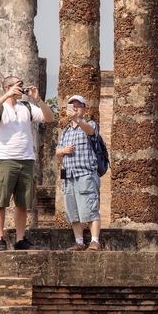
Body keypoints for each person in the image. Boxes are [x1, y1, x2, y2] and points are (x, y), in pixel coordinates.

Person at [0, 76, 56, 251]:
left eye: (21, 86)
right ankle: (0, 238)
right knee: (0, 201)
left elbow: (50, 118)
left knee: (23, 203)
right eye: (17, 85)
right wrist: (6, 95)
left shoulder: (28, 107)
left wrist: (37, 99)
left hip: (26, 160)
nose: (20, 89)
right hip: (6, 159)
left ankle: (21, 238)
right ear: (7, 87)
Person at [56, 95, 102, 251]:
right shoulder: (66, 130)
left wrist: (78, 119)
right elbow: (57, 150)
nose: (75, 108)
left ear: (84, 108)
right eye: (72, 106)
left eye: (78, 106)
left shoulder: (90, 124)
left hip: (85, 174)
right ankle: (79, 242)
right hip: (69, 175)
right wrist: (62, 150)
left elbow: (90, 132)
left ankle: (95, 241)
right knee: (73, 211)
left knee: (90, 209)